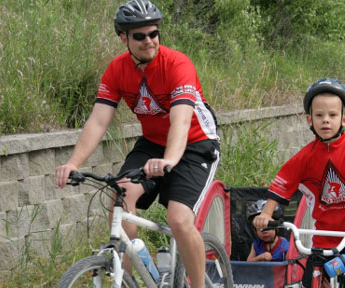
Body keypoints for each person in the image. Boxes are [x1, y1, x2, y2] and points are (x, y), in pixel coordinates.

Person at [55, 0, 220, 286]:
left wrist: (169, 160)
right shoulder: (117, 70)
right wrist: (73, 163)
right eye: (140, 36)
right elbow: (97, 121)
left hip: (195, 143)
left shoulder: (177, 64)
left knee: (179, 220)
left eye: (154, 33)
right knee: (120, 192)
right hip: (153, 143)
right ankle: (125, 277)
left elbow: (181, 121)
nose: (149, 41)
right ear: (124, 38)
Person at [253, 78, 345, 287]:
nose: (325, 120)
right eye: (319, 115)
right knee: (310, 282)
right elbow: (281, 186)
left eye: (332, 115)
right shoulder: (304, 157)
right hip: (323, 236)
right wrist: (266, 213)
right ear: (309, 120)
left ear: (344, 119)